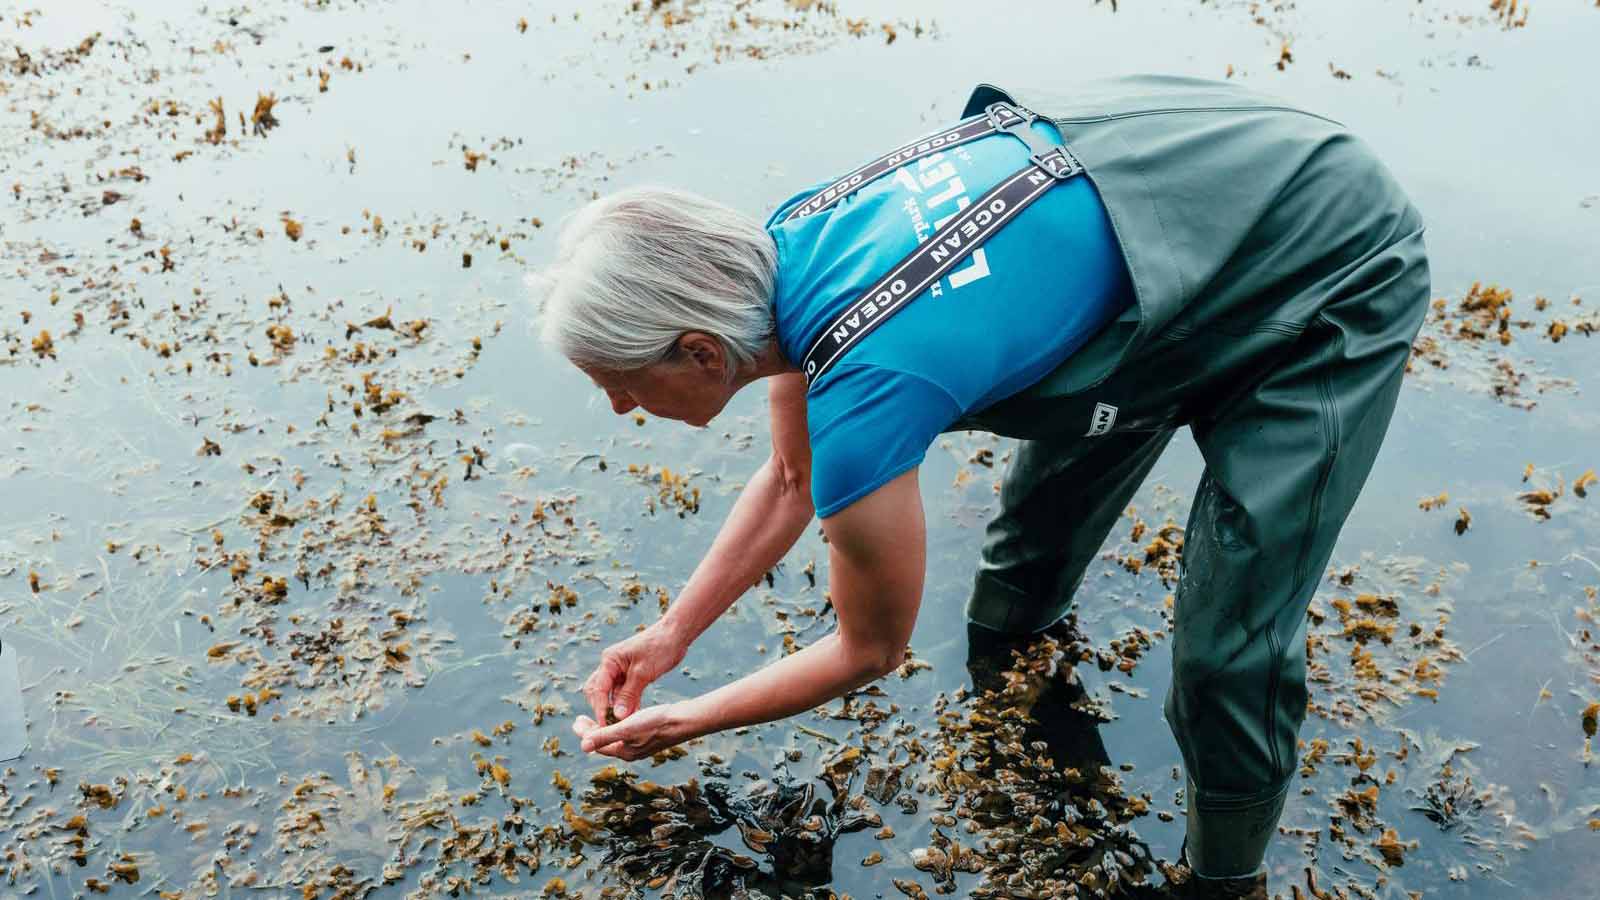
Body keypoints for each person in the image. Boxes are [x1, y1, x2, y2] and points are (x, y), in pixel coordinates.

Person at [533, 74, 1430, 897]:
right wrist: (668, 636)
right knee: (1017, 581)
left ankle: (1222, 879)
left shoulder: (868, 385)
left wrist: (687, 723)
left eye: (616, 378)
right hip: (1168, 217)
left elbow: (869, 651)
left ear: (699, 351)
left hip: (1325, 243)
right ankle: (1028, 648)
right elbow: (788, 476)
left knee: (1225, 648)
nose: (616, 406)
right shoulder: (783, 250)